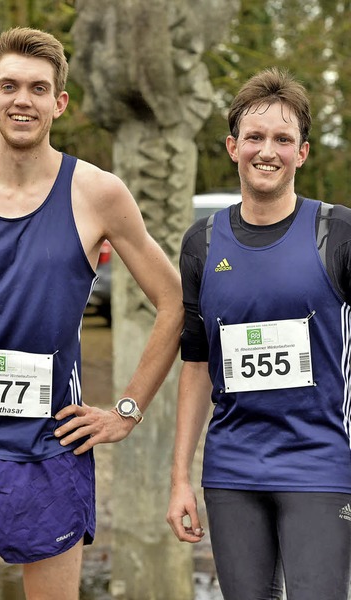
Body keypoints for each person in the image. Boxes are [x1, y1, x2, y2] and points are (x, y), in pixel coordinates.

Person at [0, 27, 183, 599]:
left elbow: (173, 304)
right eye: (11, 86)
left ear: (59, 103)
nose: (24, 99)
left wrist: (127, 410)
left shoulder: (97, 192)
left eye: (39, 88)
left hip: (51, 451)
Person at [166, 67, 351, 600]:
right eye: (255, 137)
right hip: (232, 468)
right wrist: (181, 477)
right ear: (232, 146)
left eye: (282, 139)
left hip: (320, 461)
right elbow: (197, 364)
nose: (266, 151)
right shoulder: (201, 242)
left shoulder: (335, 232)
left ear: (302, 153)